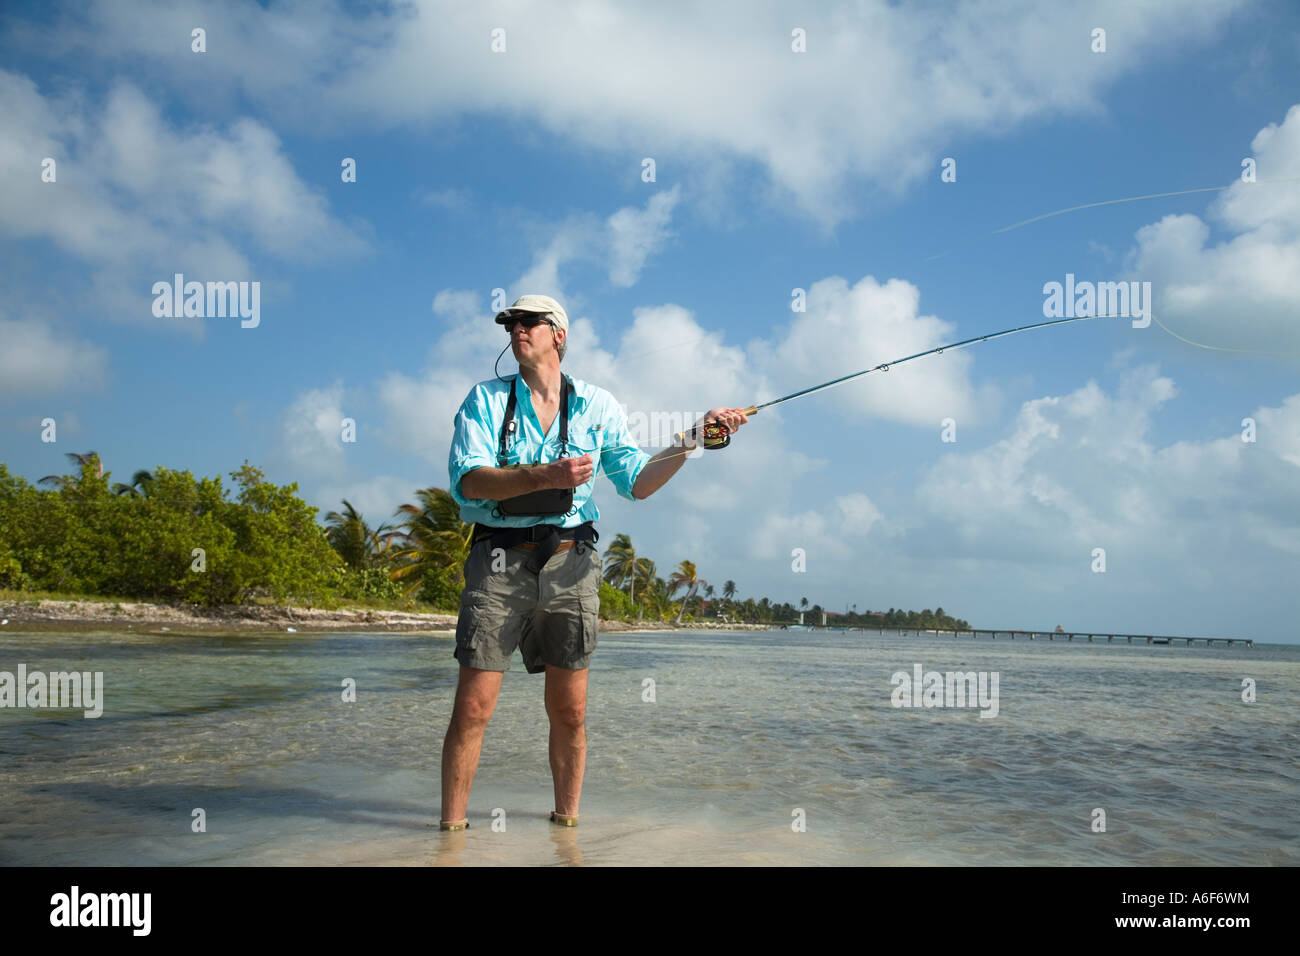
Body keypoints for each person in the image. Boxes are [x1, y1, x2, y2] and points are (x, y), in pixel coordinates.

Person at [438, 293, 748, 830]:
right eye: (510, 324)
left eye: (530, 323)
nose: (517, 331)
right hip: (498, 559)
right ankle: (450, 837)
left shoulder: (598, 405)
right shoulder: (484, 400)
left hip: (572, 561)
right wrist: (542, 476)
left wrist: (694, 439)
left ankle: (567, 836)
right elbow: (468, 480)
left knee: (571, 711)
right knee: (472, 708)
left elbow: (637, 482)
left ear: (558, 334)